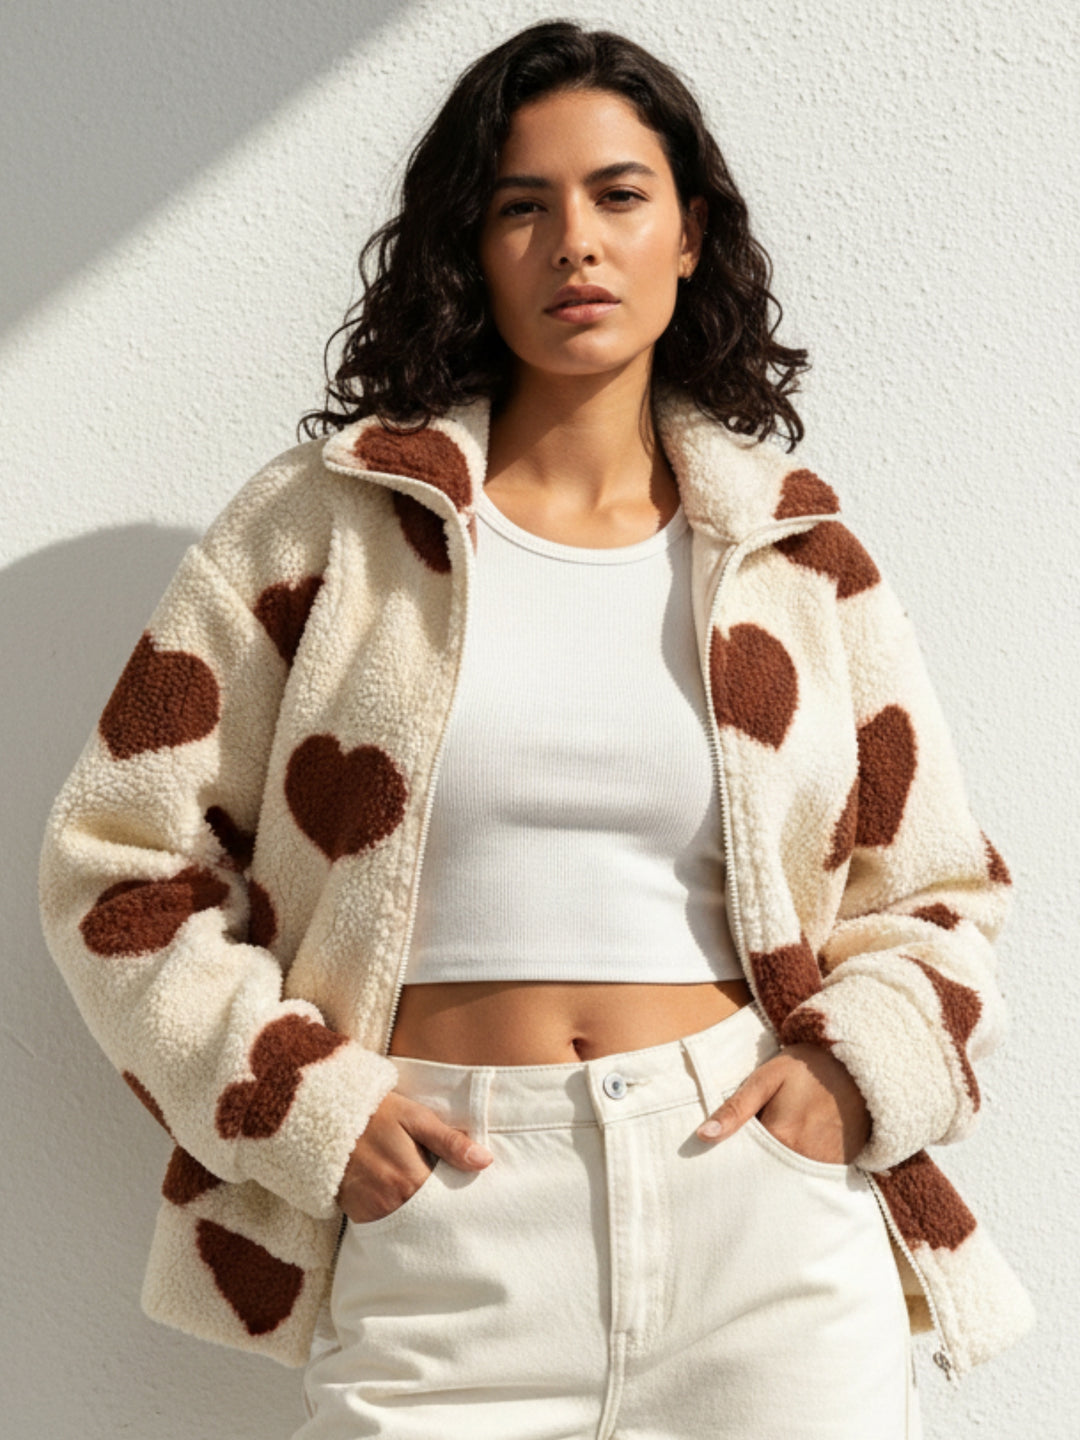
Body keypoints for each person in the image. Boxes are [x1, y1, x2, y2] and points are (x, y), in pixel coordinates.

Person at [38, 19, 1034, 1440]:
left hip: (761, 1220)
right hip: (447, 1211)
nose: (576, 243)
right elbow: (117, 866)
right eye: (523, 206)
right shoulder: (329, 527)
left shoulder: (793, 552)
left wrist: (846, 1074)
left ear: (689, 234)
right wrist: (308, 1106)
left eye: (620, 195)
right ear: (470, 246)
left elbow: (939, 889)